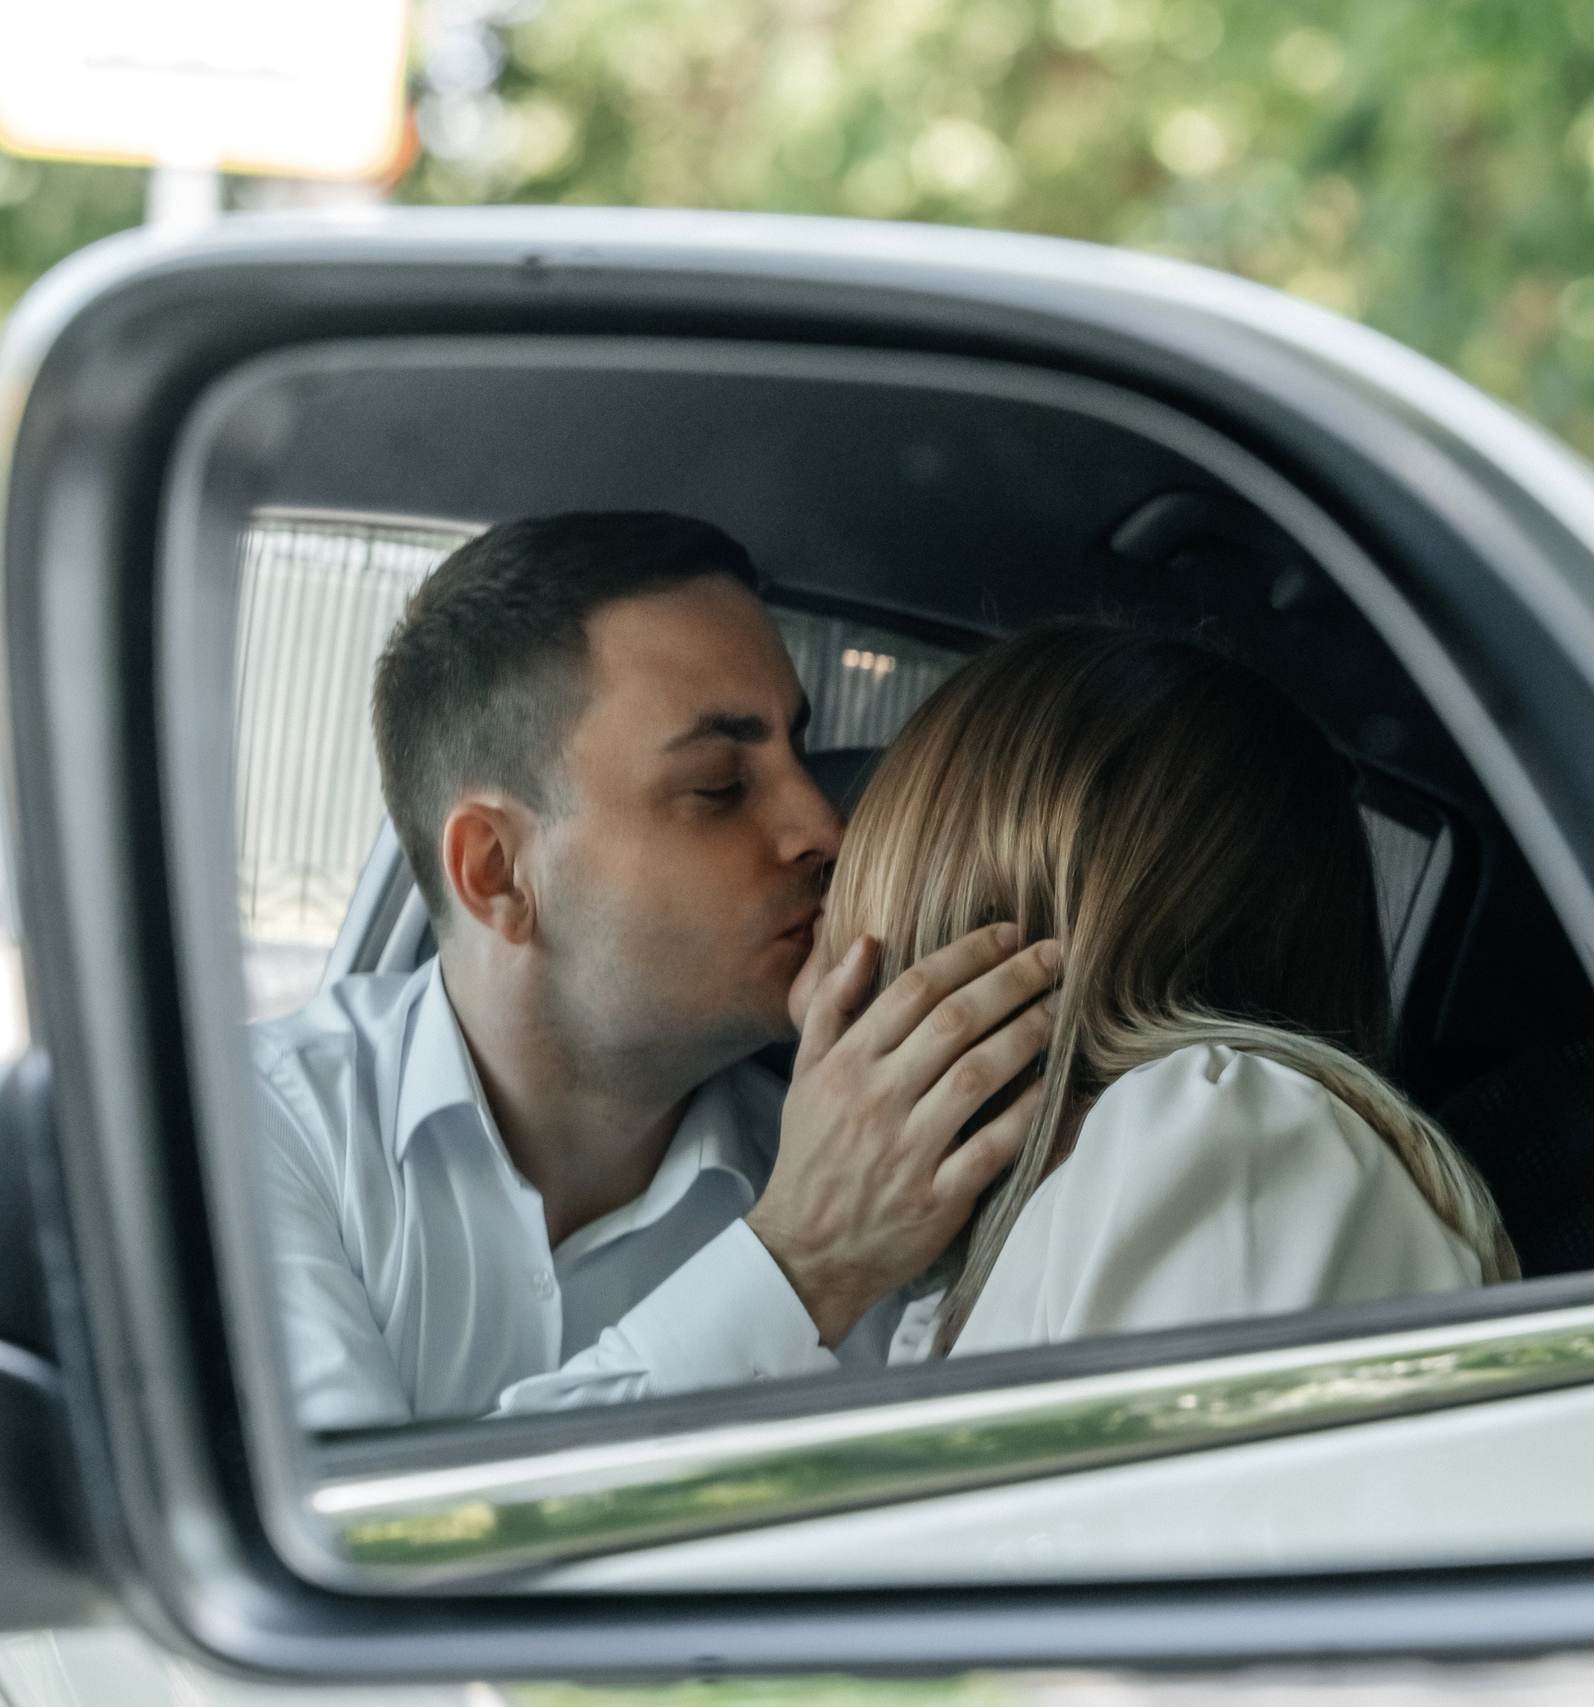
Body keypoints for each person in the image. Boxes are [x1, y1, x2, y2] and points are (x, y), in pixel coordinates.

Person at [256, 513, 1059, 1429]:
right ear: (496, 872)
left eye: (799, 751)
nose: (824, 829)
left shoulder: (886, 1186)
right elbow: (364, 1552)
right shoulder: (258, 1133)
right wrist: (795, 1270)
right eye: (719, 785)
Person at [812, 620, 1518, 1360]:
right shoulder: (963, 1271)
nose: (835, 866)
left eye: (886, 832)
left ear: (978, 884)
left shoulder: (1219, 1139)